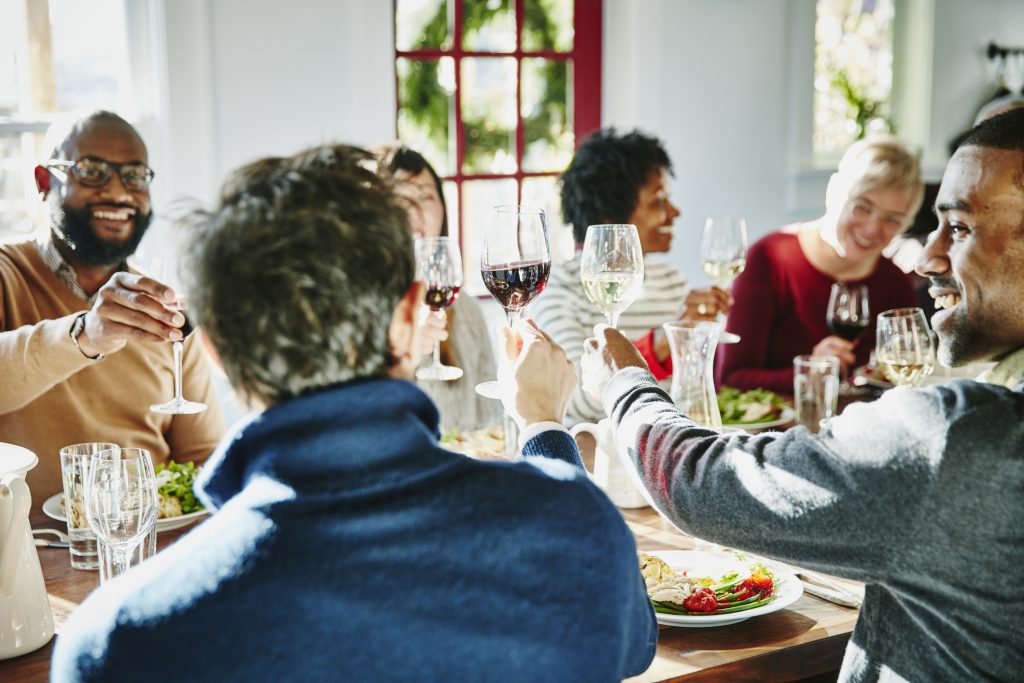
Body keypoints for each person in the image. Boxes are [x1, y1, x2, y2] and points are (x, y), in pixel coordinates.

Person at [51, 144, 657, 682]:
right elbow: (631, 647)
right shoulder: (575, 523)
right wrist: (547, 431)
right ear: (408, 316)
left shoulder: (114, 641)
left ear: (215, 353)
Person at [573, 109, 1024, 682]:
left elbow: (699, 481)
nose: (927, 257)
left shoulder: (956, 437)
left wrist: (624, 380)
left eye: (958, 229)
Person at [0, 110, 223, 512]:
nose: (119, 193)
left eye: (134, 175)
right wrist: (87, 334)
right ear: (43, 180)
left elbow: (202, 459)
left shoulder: (163, 309)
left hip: (149, 550)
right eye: (92, 171)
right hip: (28, 561)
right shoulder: (6, 276)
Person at [532, 128, 730, 424]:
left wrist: (697, 341)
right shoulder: (560, 288)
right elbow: (580, 400)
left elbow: (687, 394)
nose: (674, 212)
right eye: (658, 202)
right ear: (610, 220)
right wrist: (661, 346)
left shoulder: (671, 278)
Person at [716, 137, 923, 394]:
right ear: (834, 192)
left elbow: (901, 384)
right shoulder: (768, 259)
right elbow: (729, 378)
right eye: (861, 207)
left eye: (892, 219)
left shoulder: (895, 284)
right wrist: (809, 373)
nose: (872, 229)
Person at [378, 145, 499, 432]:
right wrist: (405, 356)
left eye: (425, 196)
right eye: (400, 198)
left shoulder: (466, 310)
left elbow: (492, 420)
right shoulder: (359, 309)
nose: (415, 211)